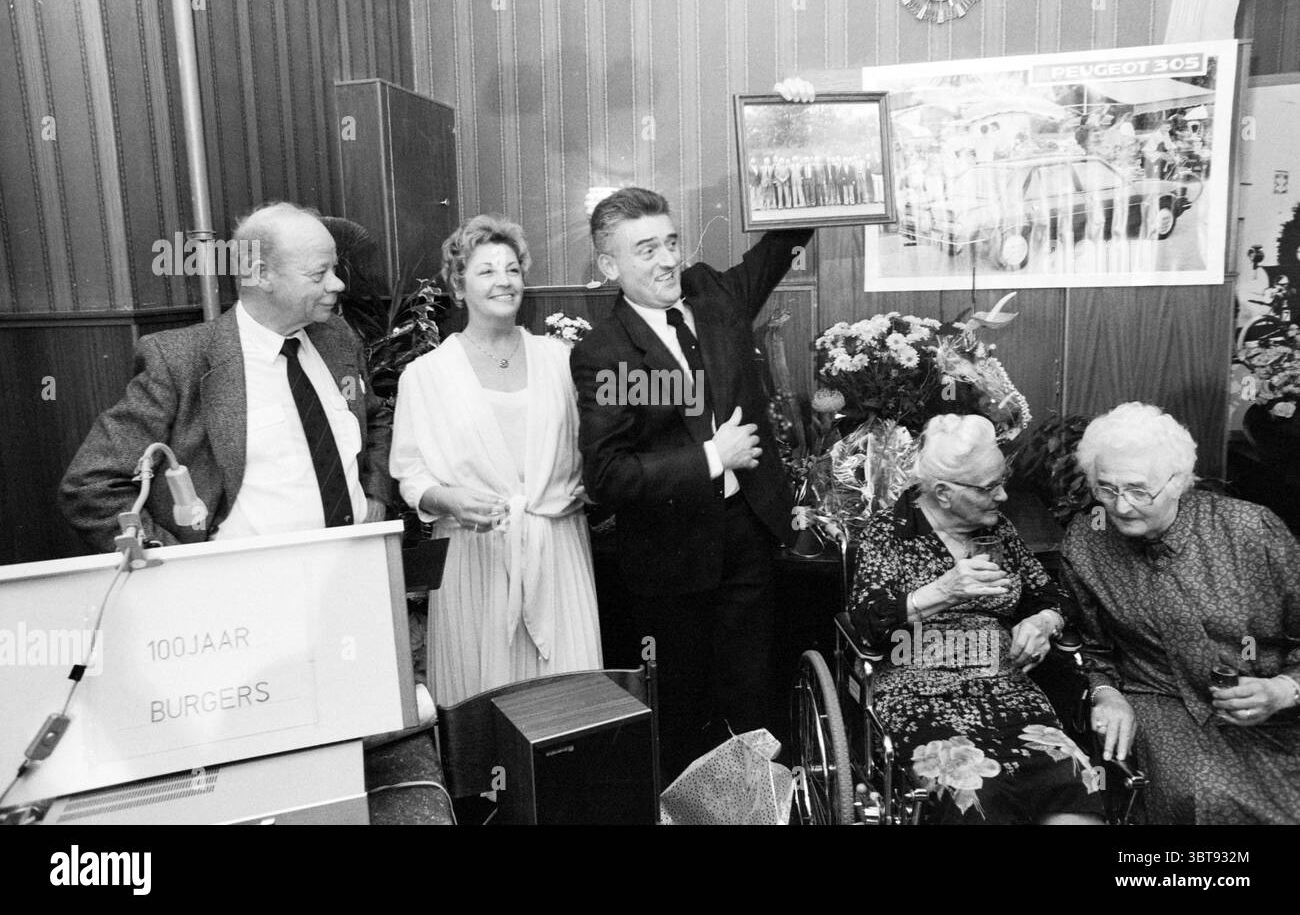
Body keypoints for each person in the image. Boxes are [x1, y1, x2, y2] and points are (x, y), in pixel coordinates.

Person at [570, 127, 813, 777]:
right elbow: (607, 475)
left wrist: (792, 131)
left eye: (671, 241)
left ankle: (755, 809)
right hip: (672, 557)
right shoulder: (606, 353)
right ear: (609, 266)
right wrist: (711, 457)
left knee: (750, 695)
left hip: (747, 535)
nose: (666, 258)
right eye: (645, 248)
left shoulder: (714, 294)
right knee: (682, 709)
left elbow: (788, 235)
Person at [60, 202, 393, 551]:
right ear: (261, 274)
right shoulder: (181, 361)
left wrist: (374, 496)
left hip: (355, 567)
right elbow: (91, 487)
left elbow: (373, 419)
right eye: (318, 274)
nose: (337, 283)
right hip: (245, 590)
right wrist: (173, 566)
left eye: (335, 269)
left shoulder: (336, 338)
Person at [849, 414, 1103, 824]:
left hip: (1008, 686)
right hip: (919, 690)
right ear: (944, 492)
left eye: (1001, 481)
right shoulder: (888, 532)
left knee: (1071, 778)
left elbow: (1050, 593)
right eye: (989, 488)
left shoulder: (1000, 530)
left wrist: (1043, 622)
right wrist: (944, 590)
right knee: (974, 790)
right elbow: (868, 621)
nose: (1003, 496)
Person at [390, 215, 602, 706]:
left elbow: (596, 442)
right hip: (475, 555)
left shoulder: (560, 358)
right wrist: (448, 499)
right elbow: (410, 474)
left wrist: (593, 481)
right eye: (486, 271)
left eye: (512, 269)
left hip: (557, 546)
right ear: (458, 286)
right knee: (487, 705)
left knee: (569, 705)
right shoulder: (426, 376)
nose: (504, 281)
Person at [1060, 402, 1300, 824]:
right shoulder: (1088, 538)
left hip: (1271, 704)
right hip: (1161, 697)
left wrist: (1282, 689)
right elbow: (1092, 647)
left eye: (1138, 490)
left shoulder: (1249, 531)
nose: (1120, 507)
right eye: (1106, 488)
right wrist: (1107, 693)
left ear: (1178, 483)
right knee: (1194, 797)